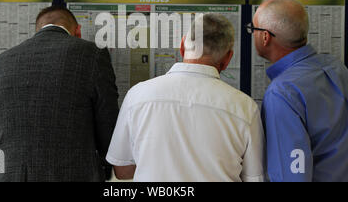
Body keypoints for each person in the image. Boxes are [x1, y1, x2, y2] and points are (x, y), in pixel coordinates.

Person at [106, 13, 265, 182]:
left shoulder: (137, 96)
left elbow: (122, 170)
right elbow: (253, 178)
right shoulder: (245, 108)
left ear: (182, 46)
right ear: (227, 59)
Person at [0, 5, 119, 182]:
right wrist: (108, 163)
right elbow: (107, 120)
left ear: (37, 31)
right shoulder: (92, 54)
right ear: (77, 31)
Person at [250, 0, 348, 182]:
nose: (252, 33)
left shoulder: (282, 93)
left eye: (253, 29)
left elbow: (291, 175)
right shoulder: (337, 69)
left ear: (265, 37)